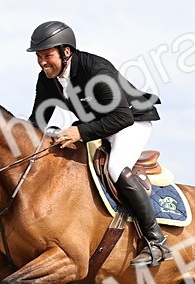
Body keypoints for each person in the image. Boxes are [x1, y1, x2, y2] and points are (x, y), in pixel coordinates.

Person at [26, 20, 172, 267]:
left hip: (131, 122)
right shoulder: (46, 78)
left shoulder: (97, 72)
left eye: (47, 55)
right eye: (38, 57)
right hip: (99, 125)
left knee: (115, 168)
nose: (42, 62)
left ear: (66, 51)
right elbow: (37, 120)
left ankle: (156, 241)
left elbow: (122, 117)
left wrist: (79, 132)